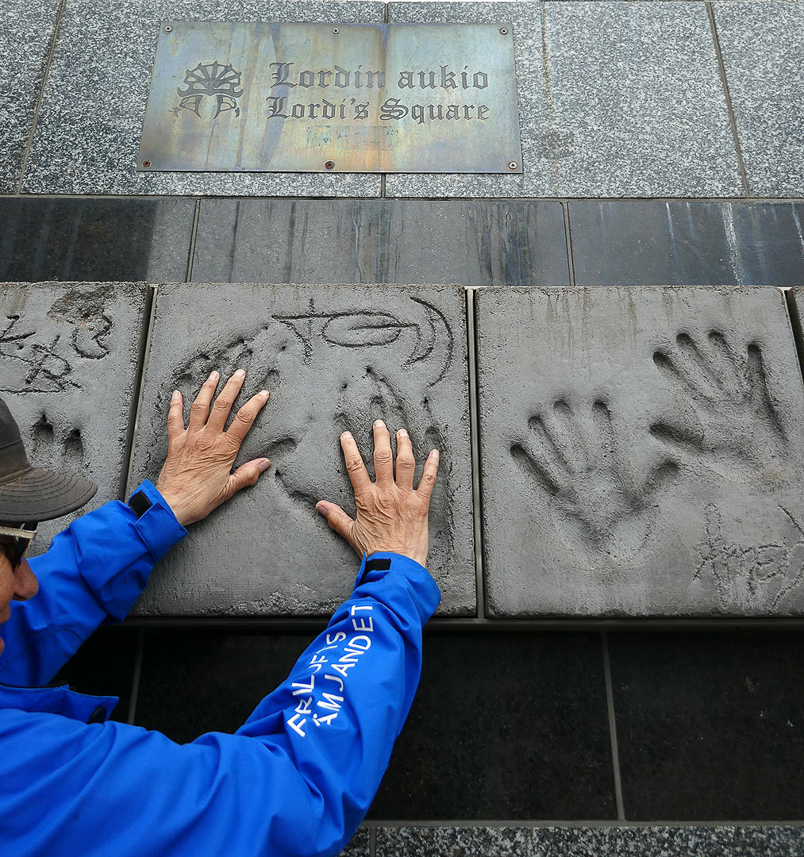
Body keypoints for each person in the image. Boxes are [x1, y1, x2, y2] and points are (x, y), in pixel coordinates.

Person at [0, 368, 441, 857]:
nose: (26, 583)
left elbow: (24, 630)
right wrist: (391, 590)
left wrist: (150, 519)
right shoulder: (25, 778)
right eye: (12, 548)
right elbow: (292, 801)